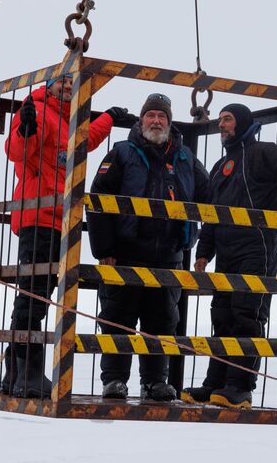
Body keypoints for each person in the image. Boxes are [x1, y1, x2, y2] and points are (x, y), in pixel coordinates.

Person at [181, 103, 277, 409]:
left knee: (247, 316)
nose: (221, 125)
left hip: (257, 248)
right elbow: (212, 215)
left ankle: (240, 387)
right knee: (221, 317)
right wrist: (204, 253)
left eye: (227, 119)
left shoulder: (263, 153)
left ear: (242, 122)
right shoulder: (220, 166)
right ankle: (215, 384)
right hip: (226, 253)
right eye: (219, 121)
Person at [1, 74, 129, 398]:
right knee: (33, 298)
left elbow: (86, 139)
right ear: (50, 86)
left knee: (36, 296)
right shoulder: (39, 111)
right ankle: (25, 375)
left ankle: (16, 375)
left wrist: (109, 118)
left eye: (73, 84)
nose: (68, 87)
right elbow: (18, 149)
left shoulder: (68, 119)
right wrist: (25, 129)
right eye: (63, 83)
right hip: (40, 219)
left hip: (59, 222)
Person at [87, 93, 209, 401]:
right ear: (141, 121)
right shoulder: (122, 153)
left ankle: (155, 382)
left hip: (169, 256)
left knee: (162, 321)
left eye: (162, 116)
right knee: (118, 318)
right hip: (126, 253)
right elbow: (98, 198)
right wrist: (104, 249)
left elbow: (211, 197)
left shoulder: (186, 159)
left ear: (169, 123)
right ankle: (114, 380)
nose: (156, 121)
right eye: (151, 115)